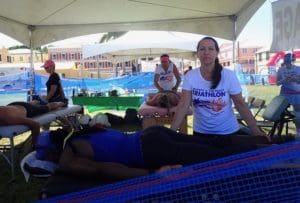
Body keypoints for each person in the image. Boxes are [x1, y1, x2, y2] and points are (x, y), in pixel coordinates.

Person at [38, 124, 270, 181]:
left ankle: (270, 154)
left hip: (150, 149)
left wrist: (152, 173)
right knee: (211, 143)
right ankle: (270, 143)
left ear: (52, 150)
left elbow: (103, 168)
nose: (48, 160)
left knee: (210, 154)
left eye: (46, 155)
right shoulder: (82, 131)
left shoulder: (69, 155)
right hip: (152, 133)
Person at [171, 36, 265, 137]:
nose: (206, 52)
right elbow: (183, 105)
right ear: (197, 54)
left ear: (216, 53)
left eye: (211, 49)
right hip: (201, 133)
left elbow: (240, 104)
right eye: (202, 49)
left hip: (228, 132)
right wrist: (171, 133)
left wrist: (256, 131)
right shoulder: (190, 76)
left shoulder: (229, 75)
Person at [0, 101, 65, 144]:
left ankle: (61, 102)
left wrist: (34, 145)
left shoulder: (9, 118)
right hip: (12, 106)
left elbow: (35, 125)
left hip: (27, 109)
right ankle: (35, 101)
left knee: (47, 107)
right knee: (34, 105)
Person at [276, 53, 300, 137]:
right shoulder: (280, 69)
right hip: (284, 94)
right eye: (286, 61)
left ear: (293, 61)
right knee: (280, 113)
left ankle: (298, 132)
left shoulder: (298, 69)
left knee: (298, 114)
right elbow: (277, 83)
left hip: (297, 94)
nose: (288, 63)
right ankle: (278, 131)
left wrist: (296, 79)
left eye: (290, 61)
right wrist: (284, 80)